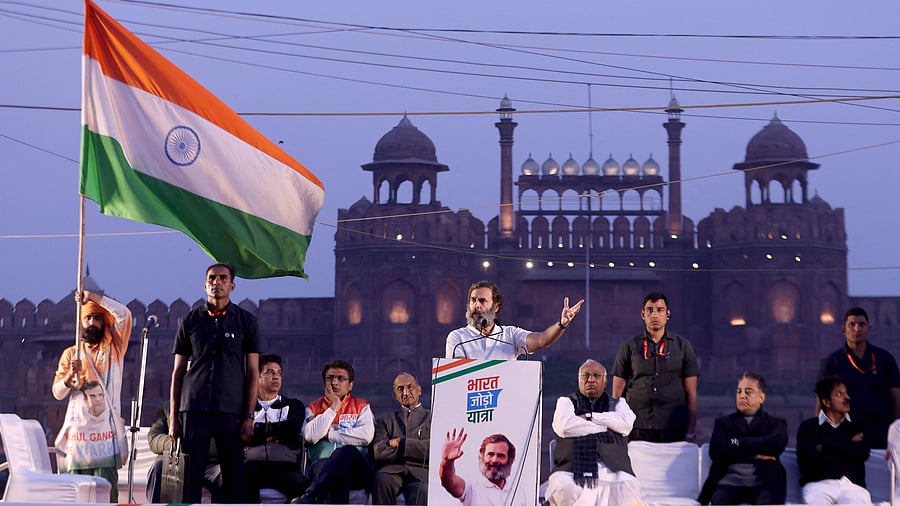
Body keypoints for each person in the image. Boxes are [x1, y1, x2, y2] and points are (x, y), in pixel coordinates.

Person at [169, 263, 260, 503]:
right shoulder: (190, 321)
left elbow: (252, 372)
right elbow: (178, 371)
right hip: (194, 408)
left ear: (232, 285)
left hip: (229, 410)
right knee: (190, 480)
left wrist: (249, 416)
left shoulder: (245, 321)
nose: (216, 282)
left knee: (233, 479)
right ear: (204, 284)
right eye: (211, 278)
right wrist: (173, 417)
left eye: (222, 278)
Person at [52, 289, 132, 501]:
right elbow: (57, 393)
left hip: (105, 438)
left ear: (105, 322)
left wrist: (93, 298)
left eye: (98, 318)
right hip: (78, 439)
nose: (92, 323)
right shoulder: (71, 354)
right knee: (74, 495)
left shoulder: (115, 348)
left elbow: (124, 315)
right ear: (81, 321)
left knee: (105, 495)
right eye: (88, 318)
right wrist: (70, 376)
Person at [545, 360, 642, 506]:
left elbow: (626, 425)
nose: (591, 380)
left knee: (627, 486)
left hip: (613, 468)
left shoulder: (619, 403)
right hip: (571, 469)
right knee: (565, 487)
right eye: (586, 375)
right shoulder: (565, 402)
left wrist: (589, 418)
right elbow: (565, 426)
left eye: (596, 375)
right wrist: (606, 426)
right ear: (579, 380)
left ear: (605, 382)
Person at [611, 292, 700, 443]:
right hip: (637, 425)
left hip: (674, 426)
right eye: (650, 310)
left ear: (667, 314)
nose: (654, 315)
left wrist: (691, 432)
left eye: (660, 310)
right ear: (643, 314)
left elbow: (691, 393)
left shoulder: (683, 346)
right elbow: (616, 393)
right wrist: (618, 429)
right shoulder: (630, 346)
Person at [698, 372, 788, 505]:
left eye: (748, 392)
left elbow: (776, 444)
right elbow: (717, 451)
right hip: (728, 483)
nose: (742, 396)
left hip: (764, 484)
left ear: (762, 397)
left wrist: (738, 441)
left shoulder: (775, 423)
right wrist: (755, 455)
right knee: (719, 499)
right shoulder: (724, 423)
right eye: (739, 392)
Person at [818, 307, 900, 449]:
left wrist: (897, 433)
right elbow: (822, 402)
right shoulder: (832, 362)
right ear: (844, 329)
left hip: (881, 433)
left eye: (861, 325)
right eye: (852, 325)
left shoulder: (884, 359)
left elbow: (896, 397)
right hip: (846, 433)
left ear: (868, 328)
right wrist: (820, 434)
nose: (857, 329)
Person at [295, 360, 374, 504]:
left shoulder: (362, 407)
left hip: (357, 467)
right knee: (337, 473)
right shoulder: (313, 408)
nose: (334, 382)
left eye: (340, 378)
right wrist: (334, 407)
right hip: (321, 465)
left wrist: (329, 433)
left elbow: (366, 435)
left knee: (346, 451)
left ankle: (312, 495)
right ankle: (314, 495)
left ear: (350, 385)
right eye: (330, 378)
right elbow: (310, 436)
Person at [445, 280, 584, 359]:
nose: (476, 305)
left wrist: (562, 324)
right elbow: (458, 377)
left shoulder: (510, 335)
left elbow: (542, 340)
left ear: (496, 306)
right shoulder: (457, 337)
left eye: (482, 301)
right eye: (473, 300)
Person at [797, 376, 871, 504]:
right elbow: (808, 463)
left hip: (852, 487)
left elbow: (862, 453)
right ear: (826, 402)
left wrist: (825, 447)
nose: (847, 397)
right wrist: (849, 446)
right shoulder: (808, 427)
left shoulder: (856, 426)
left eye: (846, 393)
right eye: (840, 394)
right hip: (818, 486)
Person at [244, 353, 308, 503]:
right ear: (257, 377)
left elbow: (292, 431)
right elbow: (242, 436)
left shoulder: (293, 405)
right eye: (269, 372)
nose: (276, 377)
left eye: (279, 373)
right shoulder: (246, 409)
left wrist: (257, 429)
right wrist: (276, 434)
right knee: (242, 478)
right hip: (253, 466)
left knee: (305, 490)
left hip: (286, 467)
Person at [372, 372, 431, 505]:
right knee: (381, 480)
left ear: (419, 390)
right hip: (391, 471)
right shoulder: (384, 421)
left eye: (410, 387)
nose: (405, 393)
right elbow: (379, 451)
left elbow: (433, 449)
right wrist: (416, 448)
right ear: (395, 396)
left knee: (422, 490)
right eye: (400, 389)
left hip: (420, 473)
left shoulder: (432, 418)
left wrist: (401, 443)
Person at [146, 405, 224, 503]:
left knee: (226, 473)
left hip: (211, 464)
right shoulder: (166, 407)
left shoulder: (219, 405)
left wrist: (198, 445)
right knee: (159, 467)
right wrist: (181, 444)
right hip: (178, 460)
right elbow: (154, 439)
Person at [440, 429, 525, 506]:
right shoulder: (471, 487)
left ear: (509, 459)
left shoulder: (518, 490)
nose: (494, 460)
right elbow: (449, 482)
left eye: (500, 456)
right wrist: (447, 462)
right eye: (490, 454)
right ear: (482, 456)